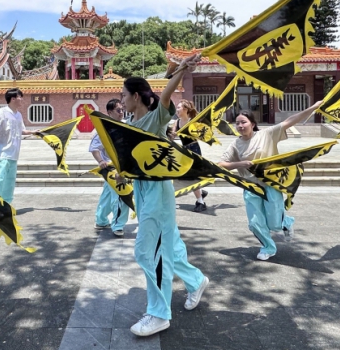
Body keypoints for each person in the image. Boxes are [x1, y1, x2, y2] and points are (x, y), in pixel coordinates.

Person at [121, 54, 209, 337]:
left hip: (158, 193)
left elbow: (166, 99)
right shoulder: (129, 124)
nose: (121, 100)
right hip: (143, 190)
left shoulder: (154, 120)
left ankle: (159, 314)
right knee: (169, 248)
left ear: (136, 96)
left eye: (123, 95)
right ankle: (196, 281)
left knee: (148, 252)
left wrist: (180, 71)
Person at [218, 101, 322, 262]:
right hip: (251, 187)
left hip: (271, 183)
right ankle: (268, 247)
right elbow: (221, 164)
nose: (240, 125)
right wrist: (240, 164)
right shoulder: (235, 144)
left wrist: (313, 108)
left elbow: (290, 121)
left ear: (252, 124)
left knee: (274, 223)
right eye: (237, 123)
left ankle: (285, 222)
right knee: (254, 223)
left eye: (243, 122)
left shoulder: (266, 135)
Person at [0, 88, 35, 204]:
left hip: (13, 154)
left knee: (9, 182)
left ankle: (6, 205)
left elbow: (22, 130)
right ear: (13, 99)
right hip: (1, 153)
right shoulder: (1, 112)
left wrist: (34, 132)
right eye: (20, 97)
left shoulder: (18, 115)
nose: (21, 99)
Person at [90, 98, 130, 238]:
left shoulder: (126, 126)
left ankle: (101, 220)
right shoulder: (104, 129)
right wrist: (101, 160)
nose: (121, 113)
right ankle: (118, 225)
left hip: (123, 167)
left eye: (122, 110)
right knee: (121, 195)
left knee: (107, 195)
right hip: (111, 168)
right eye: (118, 110)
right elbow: (95, 148)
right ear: (109, 112)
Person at [175, 100, 209, 212]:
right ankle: (201, 192)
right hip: (184, 151)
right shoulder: (177, 122)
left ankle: (201, 202)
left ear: (185, 109)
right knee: (180, 174)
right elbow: (171, 136)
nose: (177, 110)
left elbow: (203, 134)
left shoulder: (193, 121)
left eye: (178, 107)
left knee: (192, 176)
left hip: (194, 150)